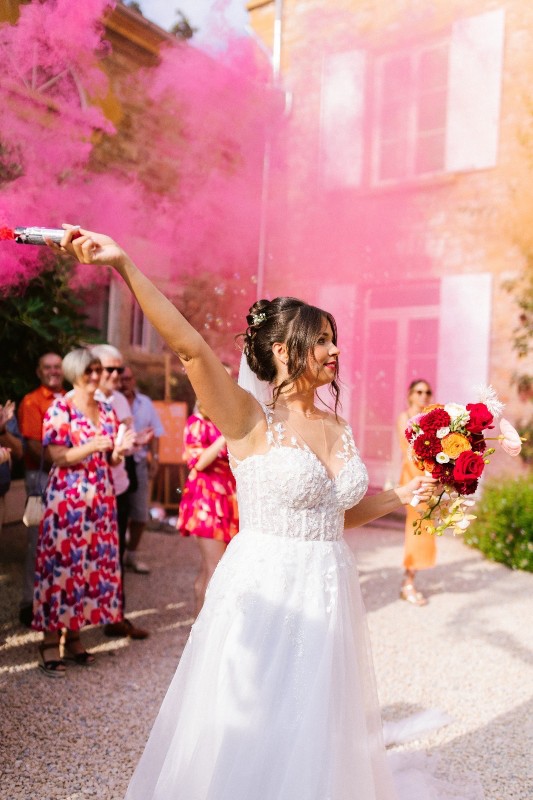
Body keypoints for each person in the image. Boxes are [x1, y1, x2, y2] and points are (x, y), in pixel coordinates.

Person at [49, 227, 490, 800]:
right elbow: (190, 348)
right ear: (283, 351)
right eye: (322, 340)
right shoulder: (247, 418)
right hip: (266, 588)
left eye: (335, 339)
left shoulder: (338, 425)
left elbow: (335, 517)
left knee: (316, 724)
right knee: (252, 720)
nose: (335, 350)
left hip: (328, 588)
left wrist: (405, 497)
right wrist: (126, 265)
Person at [32, 348, 129, 676]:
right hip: (68, 503)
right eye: (90, 370)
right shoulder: (60, 408)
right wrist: (93, 446)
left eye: (99, 370)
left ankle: (73, 637)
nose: (96, 376)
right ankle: (48, 641)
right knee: (61, 568)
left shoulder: (106, 409)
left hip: (100, 501)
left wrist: (118, 452)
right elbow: (58, 456)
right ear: (76, 373)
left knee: (87, 568)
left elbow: (109, 458)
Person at [91, 344, 149, 640]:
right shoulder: (85, 401)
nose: (117, 374)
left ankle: (114, 616)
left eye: (119, 368)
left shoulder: (119, 400)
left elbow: (123, 440)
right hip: (91, 491)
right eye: (110, 369)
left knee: (116, 553)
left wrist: (136, 442)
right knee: (88, 556)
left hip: (119, 484)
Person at [177, 383, 239, 615]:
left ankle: (199, 623)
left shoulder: (230, 423)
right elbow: (198, 462)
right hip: (206, 500)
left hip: (230, 498)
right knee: (216, 568)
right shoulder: (197, 424)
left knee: (211, 568)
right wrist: (224, 437)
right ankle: (206, 629)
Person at [17, 352, 65, 627]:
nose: (53, 371)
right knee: (38, 542)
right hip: (42, 476)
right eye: (47, 367)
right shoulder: (32, 401)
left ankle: (56, 604)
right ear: (39, 372)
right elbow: (34, 444)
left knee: (64, 544)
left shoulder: (70, 398)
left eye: (57, 366)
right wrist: (66, 459)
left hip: (67, 478)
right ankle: (29, 602)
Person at [396, 379, 437, 605]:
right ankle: (408, 583)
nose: (424, 396)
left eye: (428, 392)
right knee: (418, 529)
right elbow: (412, 452)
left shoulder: (430, 418)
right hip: (413, 481)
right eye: (419, 392)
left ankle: (410, 578)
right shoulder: (405, 418)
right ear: (410, 394)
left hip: (428, 480)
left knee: (424, 528)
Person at [120, 365, 164, 575]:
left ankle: (132, 555)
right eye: (121, 379)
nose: (124, 383)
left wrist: (154, 457)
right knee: (118, 513)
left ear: (134, 379)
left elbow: (155, 431)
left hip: (138, 463)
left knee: (140, 514)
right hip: (117, 462)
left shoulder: (145, 403)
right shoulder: (111, 402)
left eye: (128, 378)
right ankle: (116, 556)